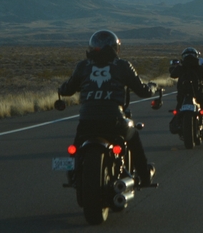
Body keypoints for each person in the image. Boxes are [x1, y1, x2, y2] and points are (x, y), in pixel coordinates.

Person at [58, 30, 156, 186]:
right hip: (115, 121)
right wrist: (152, 87)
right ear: (115, 48)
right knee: (133, 136)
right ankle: (144, 177)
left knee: (76, 147)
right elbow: (143, 91)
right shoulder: (122, 65)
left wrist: (61, 89)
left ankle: (73, 175)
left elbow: (68, 89)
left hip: (87, 121)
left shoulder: (83, 66)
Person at [169, 47, 203, 131]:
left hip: (182, 95)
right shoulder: (199, 68)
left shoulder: (181, 68)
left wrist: (173, 68)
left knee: (179, 106)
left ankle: (178, 123)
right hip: (198, 94)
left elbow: (173, 74)